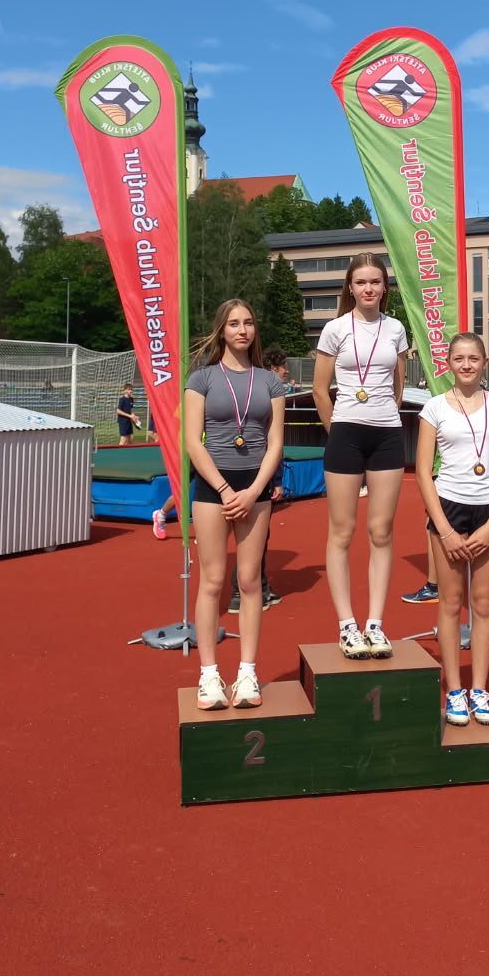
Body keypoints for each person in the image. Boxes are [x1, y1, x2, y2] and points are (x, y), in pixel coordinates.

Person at [185, 299, 287, 711]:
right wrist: (226, 491)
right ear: (222, 330)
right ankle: (209, 674)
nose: (242, 330)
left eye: (248, 323)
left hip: (254, 489)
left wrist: (255, 489)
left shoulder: (270, 382)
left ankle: (247, 671)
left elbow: (275, 442)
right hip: (215, 488)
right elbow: (194, 442)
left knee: (248, 581)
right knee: (212, 581)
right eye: (233, 324)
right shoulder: (202, 378)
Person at [416, 332, 489, 727]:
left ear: (485, 362)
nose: (466, 365)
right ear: (449, 363)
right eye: (459, 358)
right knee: (450, 602)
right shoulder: (434, 408)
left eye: (473, 358)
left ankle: (479, 688)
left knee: (484, 604)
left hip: (488, 511)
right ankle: (455, 690)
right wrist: (444, 530)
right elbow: (423, 472)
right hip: (449, 509)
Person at [313, 251, 408, 660]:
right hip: (346, 433)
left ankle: (375, 624)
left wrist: (383, 415)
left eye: (375, 282)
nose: (368, 289)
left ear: (384, 288)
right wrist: (338, 431)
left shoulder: (396, 329)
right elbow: (320, 390)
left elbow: (399, 385)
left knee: (381, 531)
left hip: (386, 434)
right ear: (350, 288)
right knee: (342, 531)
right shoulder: (335, 329)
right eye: (361, 282)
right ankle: (347, 626)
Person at [230, 347, 290, 613]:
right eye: (283, 367)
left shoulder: (255, 390)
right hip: (253, 470)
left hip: (248, 468)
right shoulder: (264, 393)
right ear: (273, 368)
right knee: (253, 535)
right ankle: (239, 591)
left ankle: (260, 586)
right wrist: (276, 479)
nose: (286, 371)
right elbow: (271, 443)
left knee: (258, 535)